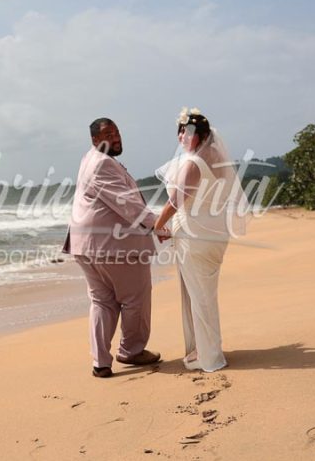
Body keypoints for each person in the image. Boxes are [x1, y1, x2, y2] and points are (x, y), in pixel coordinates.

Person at [63, 118, 168, 378]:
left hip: (86, 245)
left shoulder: (88, 159)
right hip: (114, 246)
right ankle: (131, 351)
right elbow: (127, 204)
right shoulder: (102, 165)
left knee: (102, 301)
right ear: (95, 140)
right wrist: (158, 224)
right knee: (135, 298)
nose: (116, 137)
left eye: (118, 132)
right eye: (109, 134)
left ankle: (101, 362)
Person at [153, 107, 247, 372]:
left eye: (189, 132)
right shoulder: (218, 157)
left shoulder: (193, 164)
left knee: (200, 297)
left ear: (203, 135)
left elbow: (175, 202)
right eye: (181, 131)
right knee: (205, 294)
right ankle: (206, 349)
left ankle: (209, 357)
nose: (183, 136)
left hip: (195, 237)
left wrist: (157, 226)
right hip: (214, 233)